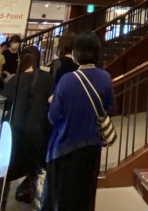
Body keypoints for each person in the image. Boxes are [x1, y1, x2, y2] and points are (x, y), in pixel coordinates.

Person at [46, 32, 113, 211]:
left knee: (65, 196)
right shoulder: (105, 77)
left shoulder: (67, 80)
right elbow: (109, 107)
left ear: (76, 52)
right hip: (92, 144)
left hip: (66, 145)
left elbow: (53, 116)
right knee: (86, 194)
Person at [1, 47, 53, 204]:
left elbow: (4, 104)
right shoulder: (47, 77)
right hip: (40, 130)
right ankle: (37, 199)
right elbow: (53, 101)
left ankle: (1, 201)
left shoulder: (14, 80)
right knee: (37, 168)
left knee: (9, 170)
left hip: (16, 132)